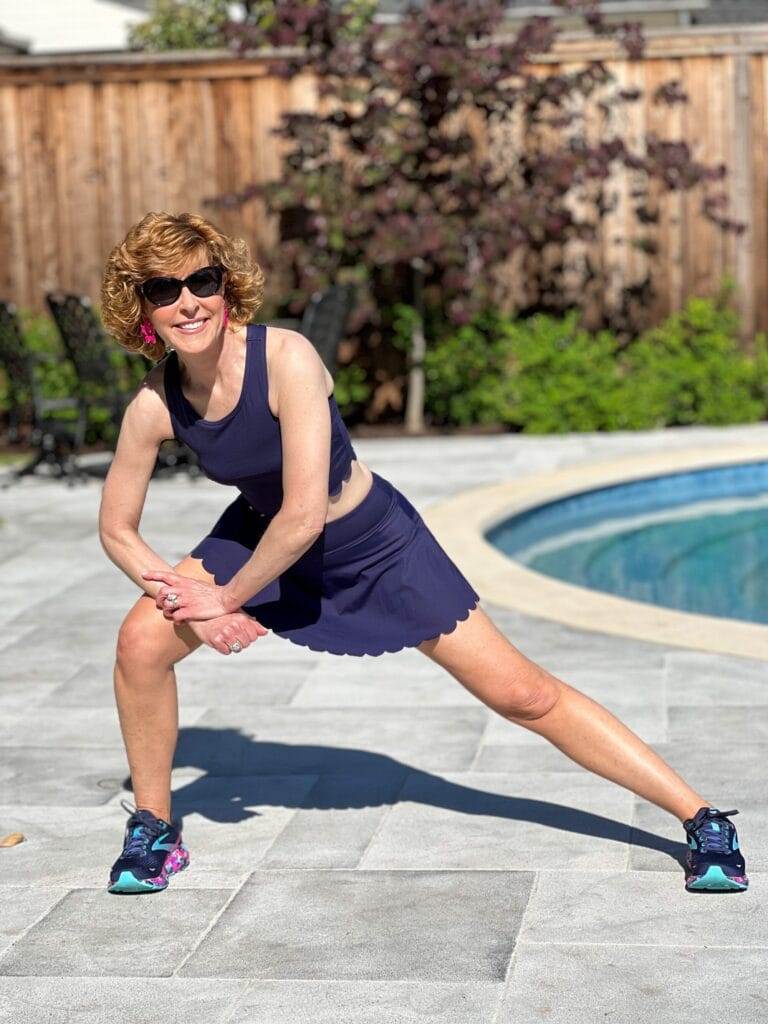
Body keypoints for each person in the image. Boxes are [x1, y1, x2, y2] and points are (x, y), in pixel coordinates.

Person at [98, 211, 747, 896]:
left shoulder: (285, 358)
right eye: (163, 290)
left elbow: (307, 514)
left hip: (370, 542)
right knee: (142, 640)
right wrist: (183, 599)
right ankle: (154, 828)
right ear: (140, 308)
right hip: (259, 534)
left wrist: (224, 599)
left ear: (226, 286)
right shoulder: (155, 403)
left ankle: (702, 817)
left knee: (522, 694)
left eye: (202, 280)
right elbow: (117, 529)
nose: (188, 302)